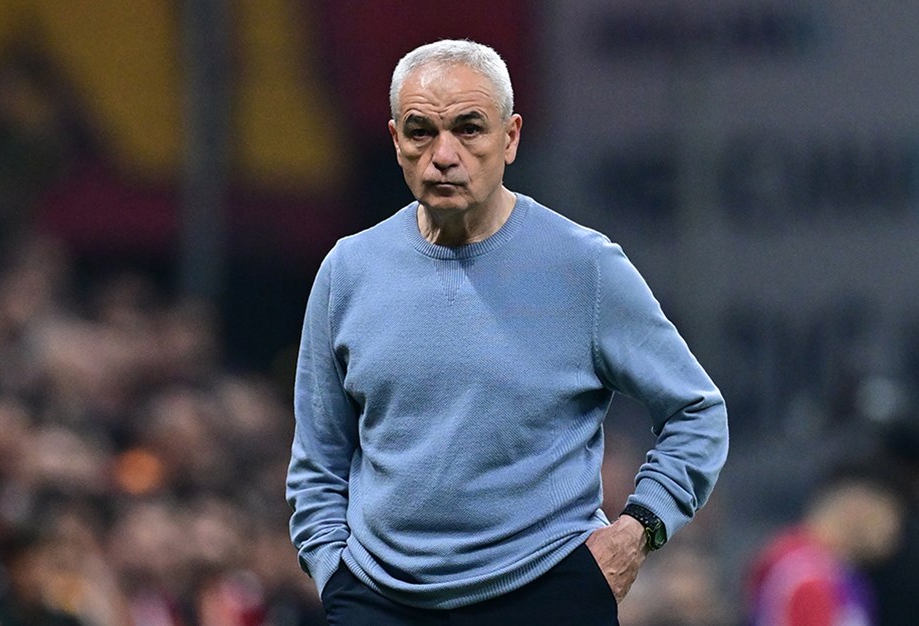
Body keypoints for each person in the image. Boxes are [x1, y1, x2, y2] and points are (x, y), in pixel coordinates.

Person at [286, 39, 729, 625]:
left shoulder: (584, 267)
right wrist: (332, 571)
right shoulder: (349, 270)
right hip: (378, 599)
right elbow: (318, 456)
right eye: (421, 132)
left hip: (545, 593)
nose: (444, 155)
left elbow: (697, 411)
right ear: (395, 141)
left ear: (511, 137)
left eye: (469, 129)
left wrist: (638, 530)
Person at [746, 464, 905, 626]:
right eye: (893, 511)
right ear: (858, 506)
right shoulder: (806, 577)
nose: (895, 527)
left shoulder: (837, 570)